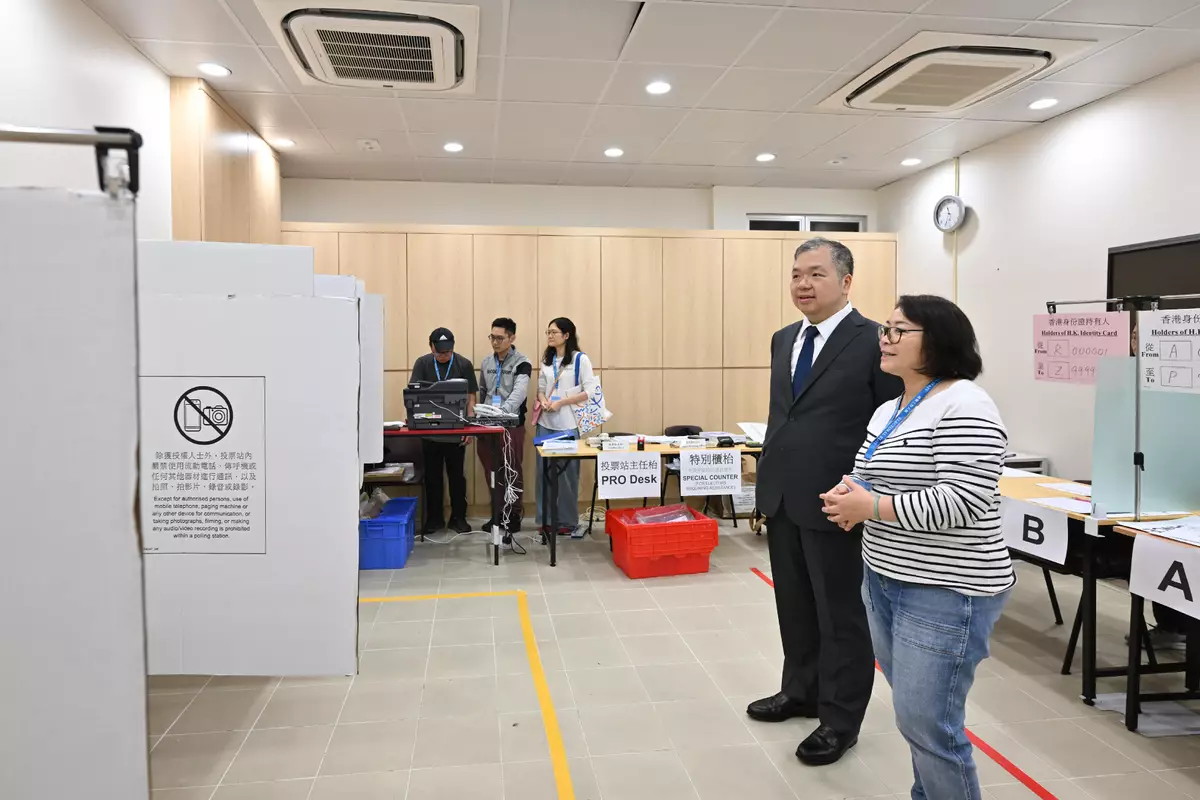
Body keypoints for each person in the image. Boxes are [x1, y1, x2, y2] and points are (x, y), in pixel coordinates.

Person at [821, 294, 1013, 800]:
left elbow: (964, 500)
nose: (884, 340)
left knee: (930, 725)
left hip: (945, 588)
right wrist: (848, 493)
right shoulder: (893, 407)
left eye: (898, 331)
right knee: (914, 716)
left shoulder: (965, 403)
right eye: (885, 330)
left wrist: (872, 507)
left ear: (939, 339)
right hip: (885, 578)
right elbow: (868, 472)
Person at [750, 237, 902, 767]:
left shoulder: (874, 341)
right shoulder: (784, 339)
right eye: (796, 274)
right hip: (783, 496)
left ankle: (840, 718)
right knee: (793, 605)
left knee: (841, 614)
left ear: (846, 281)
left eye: (816, 274)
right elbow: (786, 415)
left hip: (840, 501)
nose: (803, 284)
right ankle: (801, 691)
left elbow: (890, 426)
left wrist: (867, 491)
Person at [411, 327, 477, 536]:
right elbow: (413, 394)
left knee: (457, 477)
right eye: (439, 352)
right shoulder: (422, 364)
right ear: (431, 347)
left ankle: (459, 518)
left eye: (447, 351)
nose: (444, 355)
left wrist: (469, 427)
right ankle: (434, 519)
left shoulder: (463, 364)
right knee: (432, 477)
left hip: (456, 431)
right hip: (429, 431)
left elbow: (471, 397)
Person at [534, 317, 593, 538]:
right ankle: (546, 521)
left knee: (567, 476)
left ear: (566, 335)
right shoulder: (547, 360)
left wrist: (561, 403)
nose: (549, 336)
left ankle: (567, 521)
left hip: (568, 425)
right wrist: (543, 400)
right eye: (548, 332)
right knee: (543, 475)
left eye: (554, 332)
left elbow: (589, 392)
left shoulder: (580, 360)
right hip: (545, 424)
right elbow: (541, 388)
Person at [478, 317, 533, 534]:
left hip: (511, 426)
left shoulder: (522, 363)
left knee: (512, 470)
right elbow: (483, 392)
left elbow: (519, 394)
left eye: (500, 338)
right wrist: (482, 415)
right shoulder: (486, 362)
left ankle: (513, 514)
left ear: (512, 338)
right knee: (491, 471)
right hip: (487, 426)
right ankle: (497, 514)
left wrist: (501, 413)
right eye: (492, 337)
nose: (495, 342)